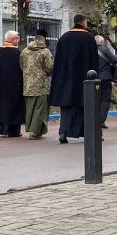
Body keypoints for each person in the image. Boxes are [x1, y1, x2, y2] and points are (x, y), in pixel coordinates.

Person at [48, 15, 99, 143]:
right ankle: (87, 134)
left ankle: (63, 133)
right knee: (85, 108)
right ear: (83, 23)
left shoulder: (64, 38)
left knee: (66, 108)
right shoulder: (89, 38)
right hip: (84, 80)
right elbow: (94, 61)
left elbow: (58, 62)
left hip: (66, 81)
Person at [0, 30, 25, 137]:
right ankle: (12, 130)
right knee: (13, 108)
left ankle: (1, 128)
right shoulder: (16, 53)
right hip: (14, 86)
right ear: (13, 39)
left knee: (1, 107)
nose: (18, 41)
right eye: (17, 38)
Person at [20, 29, 53, 139]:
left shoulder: (25, 51)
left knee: (30, 108)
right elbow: (50, 68)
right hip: (41, 84)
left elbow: (21, 66)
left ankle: (31, 128)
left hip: (27, 85)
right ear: (44, 38)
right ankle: (34, 132)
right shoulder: (45, 51)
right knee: (40, 109)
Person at [95, 35, 117, 129]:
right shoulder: (105, 49)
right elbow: (114, 59)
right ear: (102, 42)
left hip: (93, 79)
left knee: (95, 99)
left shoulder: (89, 50)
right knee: (105, 99)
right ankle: (101, 121)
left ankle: (94, 119)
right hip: (105, 78)